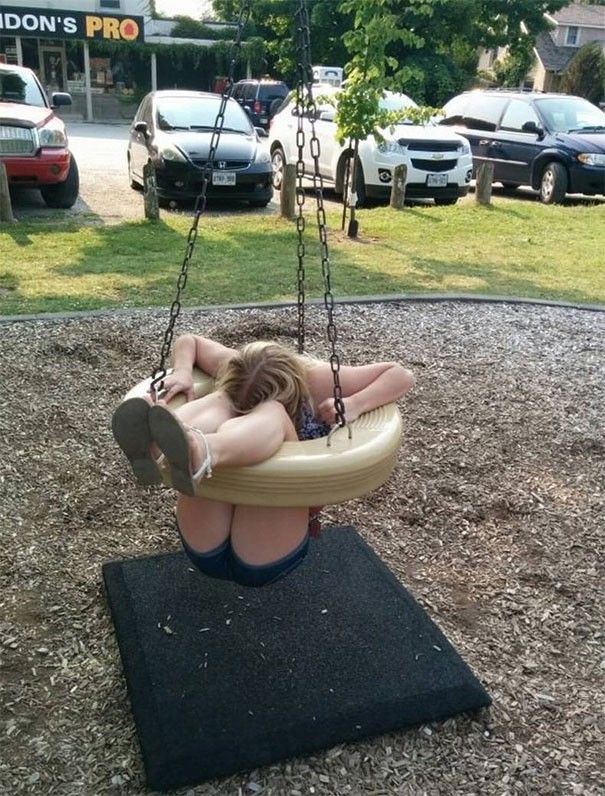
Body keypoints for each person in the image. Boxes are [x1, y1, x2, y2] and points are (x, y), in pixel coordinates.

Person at [112, 334, 415, 587]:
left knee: (269, 412)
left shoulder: (314, 379)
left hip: (248, 548)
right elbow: (188, 340)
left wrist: (354, 403)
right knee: (222, 399)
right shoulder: (237, 367)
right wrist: (181, 372)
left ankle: (202, 448)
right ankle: (164, 441)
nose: (245, 409)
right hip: (237, 541)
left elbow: (401, 375)